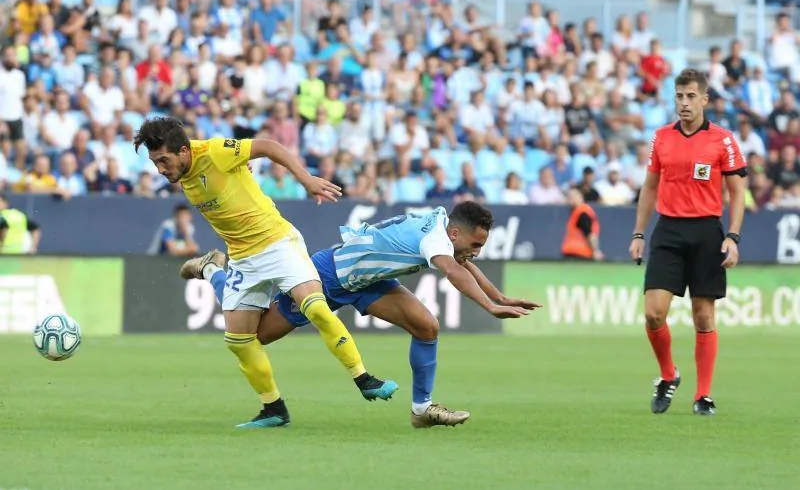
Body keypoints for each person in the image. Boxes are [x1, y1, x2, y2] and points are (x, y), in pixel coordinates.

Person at [133, 117, 396, 428]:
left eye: (163, 160)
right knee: (239, 340)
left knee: (315, 306)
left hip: (276, 241)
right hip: (243, 257)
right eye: (155, 163)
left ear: (184, 151)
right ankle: (273, 408)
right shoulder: (184, 171)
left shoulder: (215, 151)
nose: (161, 170)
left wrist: (305, 179)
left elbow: (270, 147)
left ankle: (363, 378)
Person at [184, 202, 538, 428]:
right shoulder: (435, 238)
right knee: (257, 336)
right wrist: (490, 307)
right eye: (475, 245)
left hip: (368, 281)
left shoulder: (444, 230)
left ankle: (422, 409)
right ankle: (214, 271)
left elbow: (463, 264)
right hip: (328, 274)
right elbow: (455, 271)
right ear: (456, 233)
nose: (476, 252)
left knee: (427, 326)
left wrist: (500, 296)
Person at [629, 69, 747, 416]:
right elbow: (649, 187)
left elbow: (737, 192)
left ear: (705, 99)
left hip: (707, 232)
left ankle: (703, 396)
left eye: (691, 96)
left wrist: (733, 236)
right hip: (668, 230)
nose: (684, 103)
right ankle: (668, 375)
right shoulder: (661, 137)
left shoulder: (722, 140)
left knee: (703, 316)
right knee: (653, 313)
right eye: (679, 96)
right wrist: (638, 233)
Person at [561, 189, 602, 261]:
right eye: (569, 197)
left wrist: (595, 251)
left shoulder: (583, 213)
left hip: (580, 254)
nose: (569, 199)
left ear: (580, 197)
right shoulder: (576, 211)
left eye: (572, 197)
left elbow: (590, 234)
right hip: (572, 252)